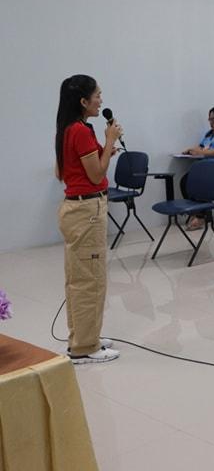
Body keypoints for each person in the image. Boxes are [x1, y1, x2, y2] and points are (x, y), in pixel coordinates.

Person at [55, 75, 122, 364]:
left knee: (79, 279)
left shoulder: (67, 129)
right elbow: (96, 176)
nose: (101, 100)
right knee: (90, 280)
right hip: (87, 212)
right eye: (97, 95)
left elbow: (61, 172)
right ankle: (85, 347)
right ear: (83, 101)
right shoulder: (81, 131)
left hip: (75, 209)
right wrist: (109, 142)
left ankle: (83, 338)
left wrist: (104, 150)